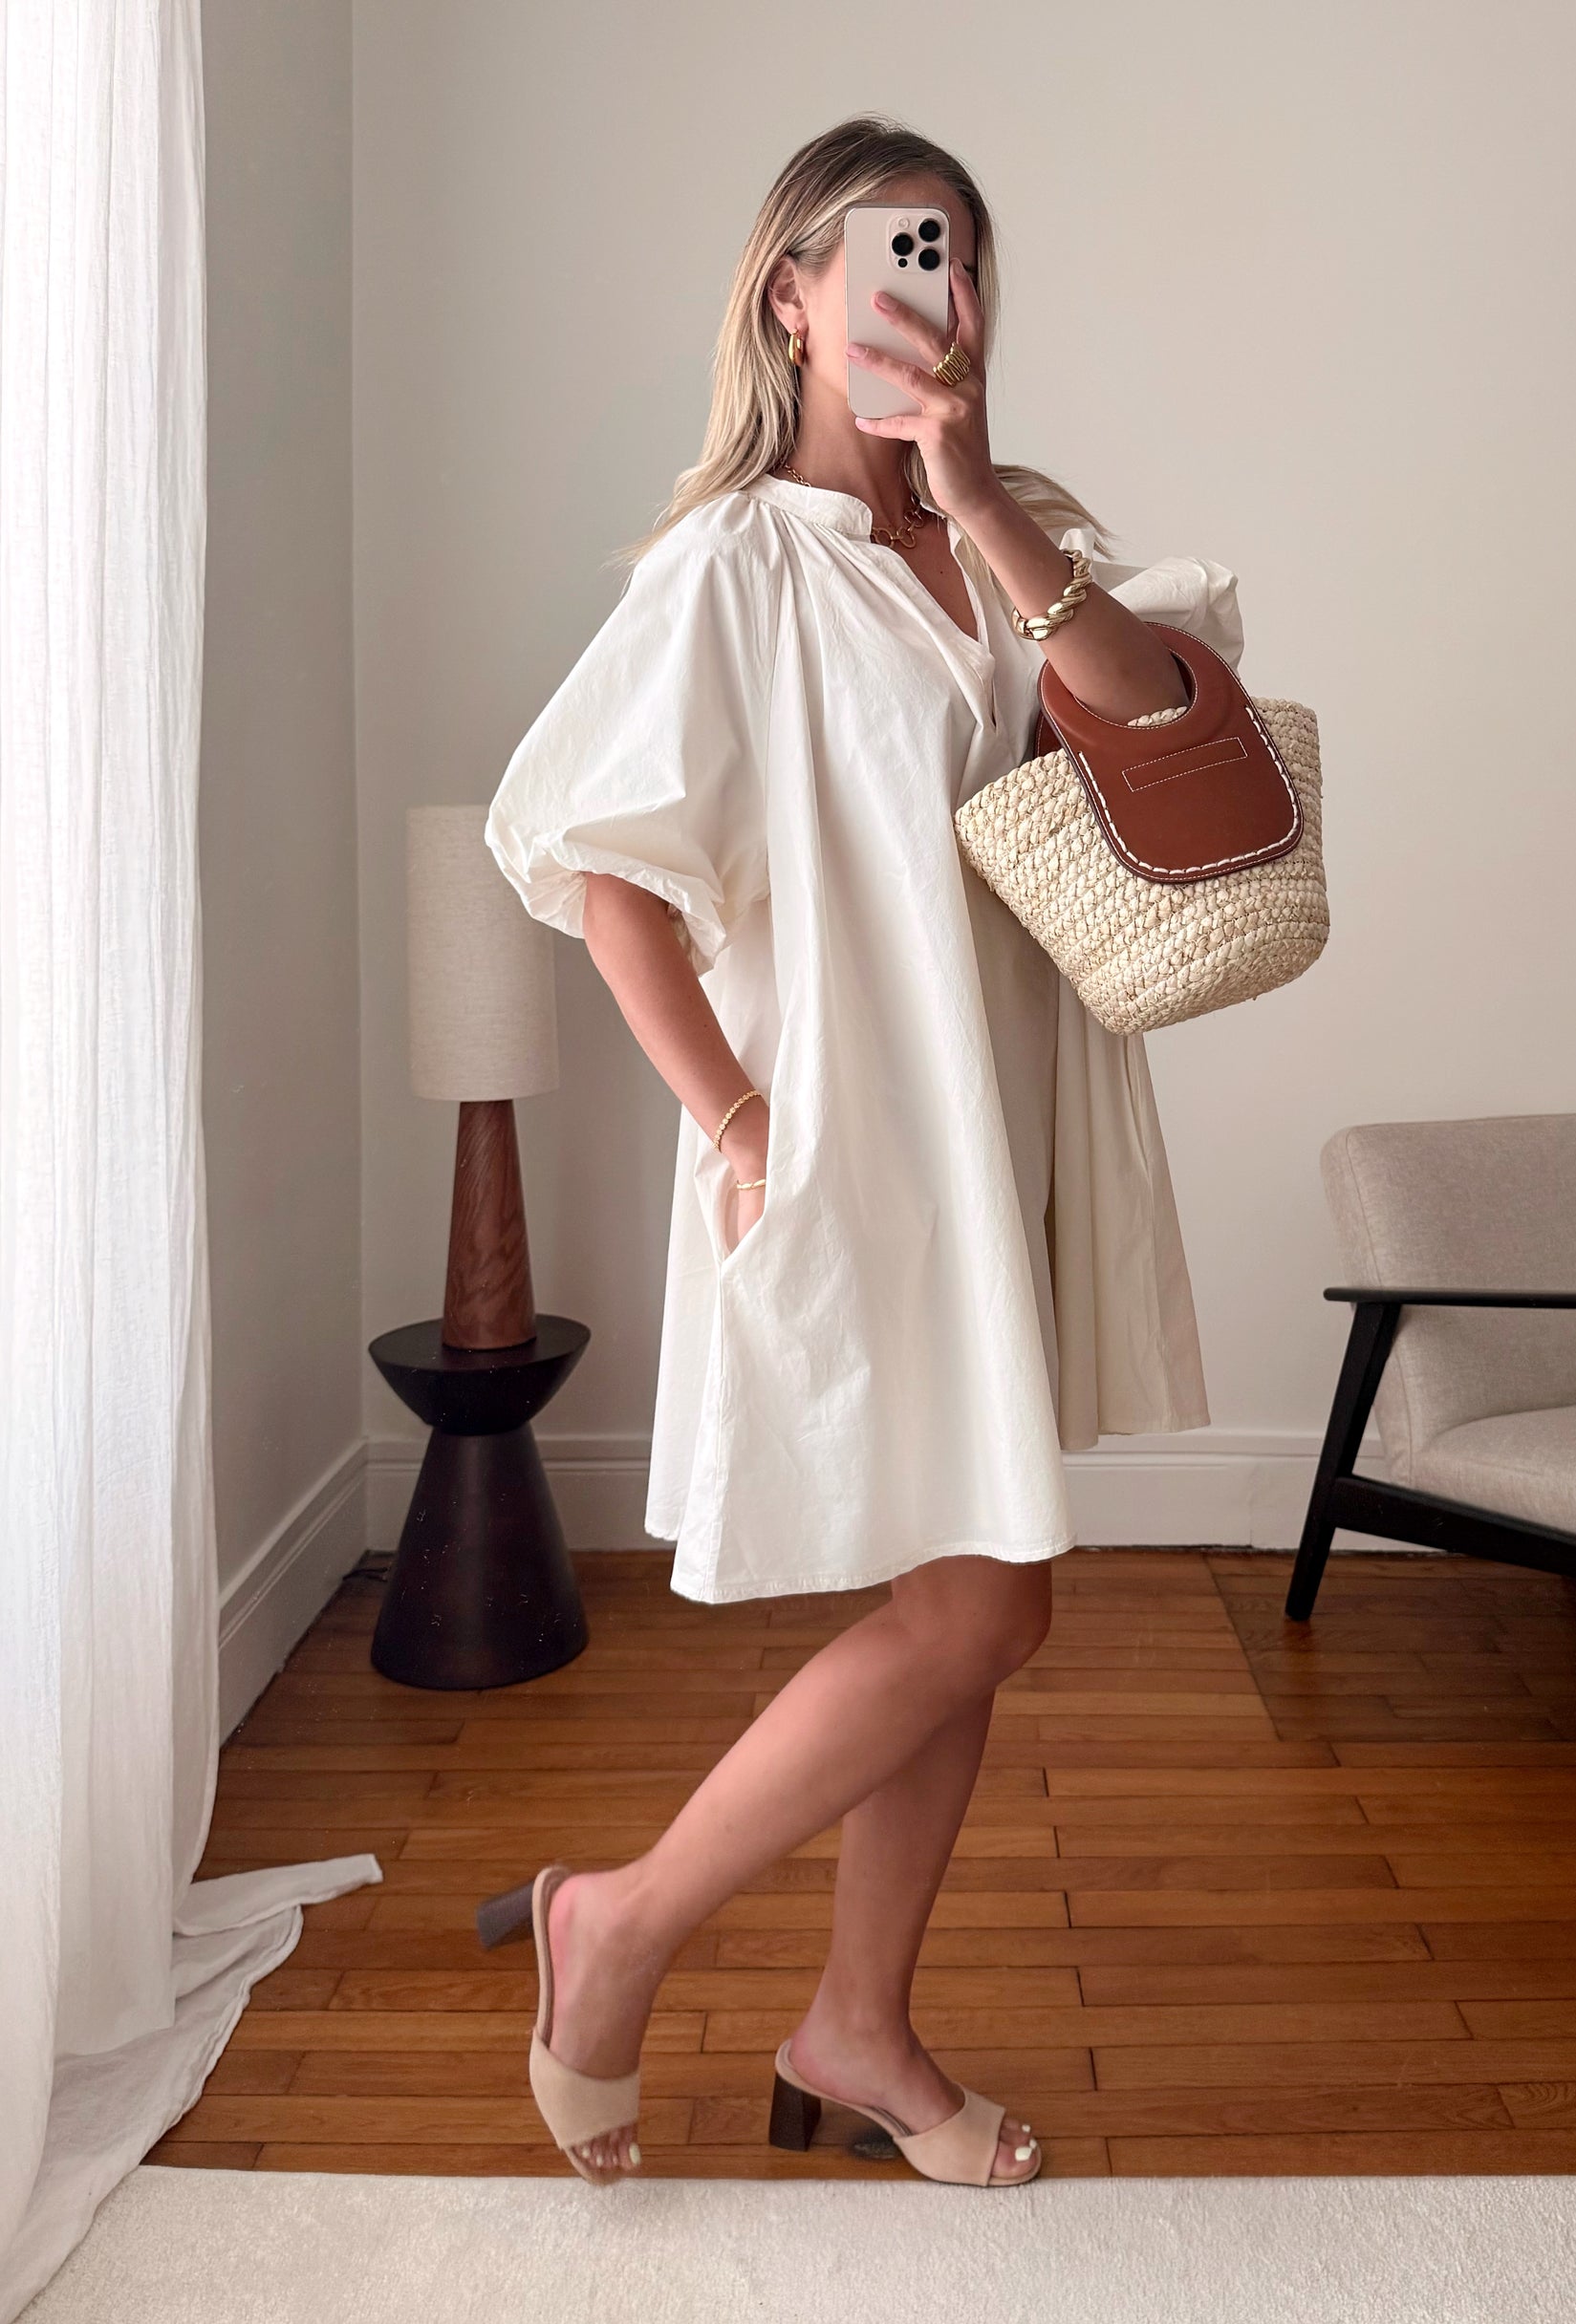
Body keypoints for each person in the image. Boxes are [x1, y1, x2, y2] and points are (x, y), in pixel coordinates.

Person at [484, 115, 1242, 2188]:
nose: (945, 294)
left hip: (994, 1123)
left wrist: (973, 494)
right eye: (902, 253)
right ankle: (618, 1923)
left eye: (967, 259)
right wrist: (734, 1118)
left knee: (971, 1577)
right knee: (986, 1604)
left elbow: (1150, 727)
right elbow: (596, 868)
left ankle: (854, 2023)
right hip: (845, 1131)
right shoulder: (733, 564)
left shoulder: (1010, 535)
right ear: (790, 295)